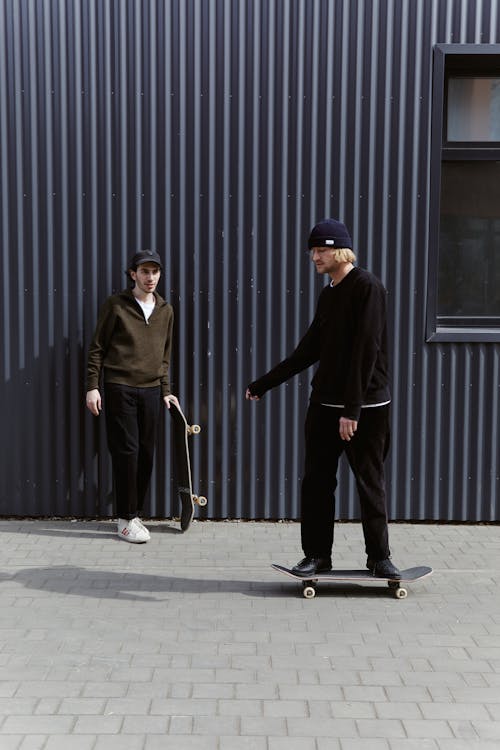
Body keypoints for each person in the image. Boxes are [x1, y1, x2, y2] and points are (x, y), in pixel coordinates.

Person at [246, 219, 401, 579]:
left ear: (340, 250)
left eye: (321, 250)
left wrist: (353, 409)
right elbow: (309, 349)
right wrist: (265, 383)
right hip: (324, 406)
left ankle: (379, 557)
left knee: (370, 482)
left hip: (366, 408)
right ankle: (317, 555)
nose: (314, 256)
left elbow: (366, 350)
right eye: (313, 250)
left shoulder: (367, 287)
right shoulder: (330, 291)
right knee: (316, 483)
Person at [86, 249, 178, 543]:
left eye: (155, 272)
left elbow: (165, 355)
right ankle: (125, 519)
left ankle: (134, 513)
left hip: (151, 390)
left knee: (146, 453)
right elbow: (97, 347)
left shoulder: (166, 310)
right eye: (145, 272)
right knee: (127, 453)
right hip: (120, 386)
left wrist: (166, 391)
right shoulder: (116, 305)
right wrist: (92, 386)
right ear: (133, 274)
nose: (150, 277)